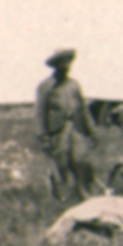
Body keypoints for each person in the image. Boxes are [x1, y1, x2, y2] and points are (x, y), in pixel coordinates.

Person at [35, 48, 102, 202]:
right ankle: (66, 194)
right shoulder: (45, 87)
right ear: (55, 66)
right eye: (62, 64)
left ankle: (84, 192)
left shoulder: (74, 85)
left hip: (76, 128)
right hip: (58, 131)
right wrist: (43, 136)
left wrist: (91, 131)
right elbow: (40, 112)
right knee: (63, 162)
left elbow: (83, 108)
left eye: (68, 64)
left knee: (81, 160)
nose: (66, 67)